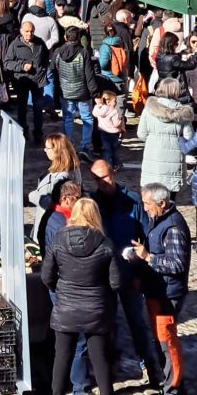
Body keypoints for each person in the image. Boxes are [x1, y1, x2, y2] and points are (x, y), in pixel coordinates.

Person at [89, 160, 164, 391]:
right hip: (104, 276)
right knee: (107, 324)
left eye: (107, 177)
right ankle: (110, 366)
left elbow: (146, 237)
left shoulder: (132, 200)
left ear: (114, 173)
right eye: (98, 179)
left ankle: (150, 367)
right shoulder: (92, 203)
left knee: (137, 322)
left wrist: (141, 272)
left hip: (130, 271)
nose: (104, 182)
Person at [42, 198, 120, 395]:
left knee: (62, 359)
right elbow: (116, 283)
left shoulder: (58, 240)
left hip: (66, 309)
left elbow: (46, 276)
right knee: (100, 361)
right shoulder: (106, 244)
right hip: (96, 311)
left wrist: (61, 292)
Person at [132, 182, 191, 395]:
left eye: (148, 204)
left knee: (167, 342)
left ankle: (173, 387)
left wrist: (148, 257)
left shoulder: (173, 227)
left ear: (162, 203)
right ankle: (168, 382)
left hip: (167, 294)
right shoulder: (158, 219)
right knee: (160, 340)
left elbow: (176, 264)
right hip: (156, 290)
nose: (145, 208)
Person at [137, 78, 194, 196]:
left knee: (151, 197)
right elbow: (189, 137)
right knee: (170, 198)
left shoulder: (149, 108)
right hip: (174, 157)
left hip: (152, 155)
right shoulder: (183, 112)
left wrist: (153, 140)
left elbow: (141, 134)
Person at [52, 26, 98, 161]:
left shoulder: (58, 52)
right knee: (87, 118)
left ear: (65, 37)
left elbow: (52, 69)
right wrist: (94, 91)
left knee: (67, 118)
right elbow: (89, 75)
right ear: (78, 39)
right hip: (83, 92)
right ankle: (85, 147)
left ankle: (67, 146)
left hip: (65, 91)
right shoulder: (83, 53)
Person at [28, 133, 81, 241]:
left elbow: (54, 203)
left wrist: (33, 196)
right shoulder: (71, 168)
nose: (45, 150)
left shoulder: (64, 176)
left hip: (51, 229)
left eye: (47, 148)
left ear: (57, 151)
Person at [4, 20, 50, 142]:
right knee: (22, 107)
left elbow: (46, 56)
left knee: (38, 108)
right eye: (27, 31)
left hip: (37, 80)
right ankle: (23, 130)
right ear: (21, 31)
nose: (29, 34)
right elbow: (7, 63)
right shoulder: (15, 45)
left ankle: (38, 132)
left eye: (32, 32)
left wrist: (43, 68)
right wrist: (21, 66)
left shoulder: (39, 42)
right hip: (22, 81)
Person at [92, 91, 125, 170]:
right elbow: (116, 124)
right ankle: (116, 164)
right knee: (115, 150)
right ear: (108, 101)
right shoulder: (114, 111)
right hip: (114, 133)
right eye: (115, 101)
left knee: (106, 149)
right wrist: (121, 121)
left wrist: (98, 106)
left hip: (103, 132)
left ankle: (107, 165)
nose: (116, 102)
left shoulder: (99, 110)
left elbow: (94, 113)